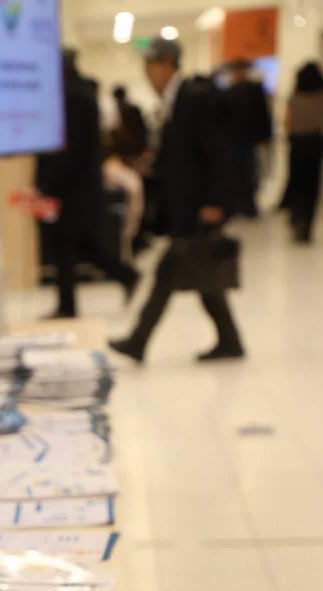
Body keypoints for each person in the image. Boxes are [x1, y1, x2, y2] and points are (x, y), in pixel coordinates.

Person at [109, 37, 245, 364]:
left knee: (169, 272)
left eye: (151, 64)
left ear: (168, 64)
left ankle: (138, 341)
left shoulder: (193, 98)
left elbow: (218, 153)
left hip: (199, 206)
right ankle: (230, 341)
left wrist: (215, 202)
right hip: (187, 205)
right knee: (203, 276)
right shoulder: (175, 100)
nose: (147, 72)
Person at [36, 50, 139, 318]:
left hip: (73, 187)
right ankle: (124, 275)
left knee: (68, 246)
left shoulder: (72, 97)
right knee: (81, 246)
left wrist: (48, 182)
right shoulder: (80, 94)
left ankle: (69, 305)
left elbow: (69, 150)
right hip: (79, 185)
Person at [223, 58, 272, 218]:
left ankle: (248, 205)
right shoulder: (229, 92)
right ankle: (236, 205)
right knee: (234, 173)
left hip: (247, 138)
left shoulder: (254, 90)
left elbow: (262, 114)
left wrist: (265, 135)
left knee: (249, 172)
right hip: (232, 139)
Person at [284, 62, 323, 243]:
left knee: (297, 183)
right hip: (315, 143)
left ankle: (296, 215)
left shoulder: (294, 97)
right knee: (312, 187)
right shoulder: (321, 98)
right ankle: (307, 225)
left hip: (297, 143)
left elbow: (287, 122)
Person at [111, 85, 148, 161]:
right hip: (135, 144)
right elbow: (142, 128)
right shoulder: (134, 108)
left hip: (121, 146)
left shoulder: (114, 110)